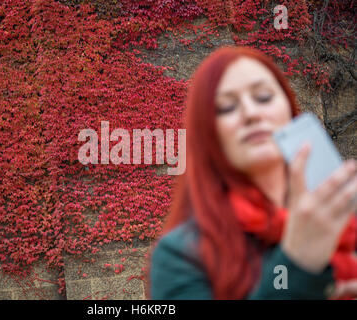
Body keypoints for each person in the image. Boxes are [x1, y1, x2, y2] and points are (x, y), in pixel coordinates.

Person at [147, 45, 357, 300]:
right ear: (209, 135)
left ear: (290, 111)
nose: (250, 113)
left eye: (264, 97)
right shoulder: (182, 255)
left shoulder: (345, 219)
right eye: (226, 107)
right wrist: (298, 261)